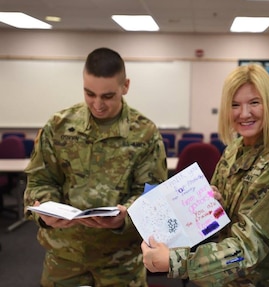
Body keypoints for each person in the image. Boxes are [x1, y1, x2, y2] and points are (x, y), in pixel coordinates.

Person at [141, 63, 269, 286]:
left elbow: (246, 250)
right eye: (235, 105)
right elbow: (226, 221)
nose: (244, 113)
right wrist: (216, 205)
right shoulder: (234, 150)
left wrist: (174, 261)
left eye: (254, 103)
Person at [23, 47, 168, 287]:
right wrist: (45, 213)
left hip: (120, 261)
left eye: (107, 96)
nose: (97, 104)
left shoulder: (144, 133)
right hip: (64, 256)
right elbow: (40, 181)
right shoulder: (59, 126)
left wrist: (125, 218)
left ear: (125, 86)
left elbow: (153, 194)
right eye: (89, 93)